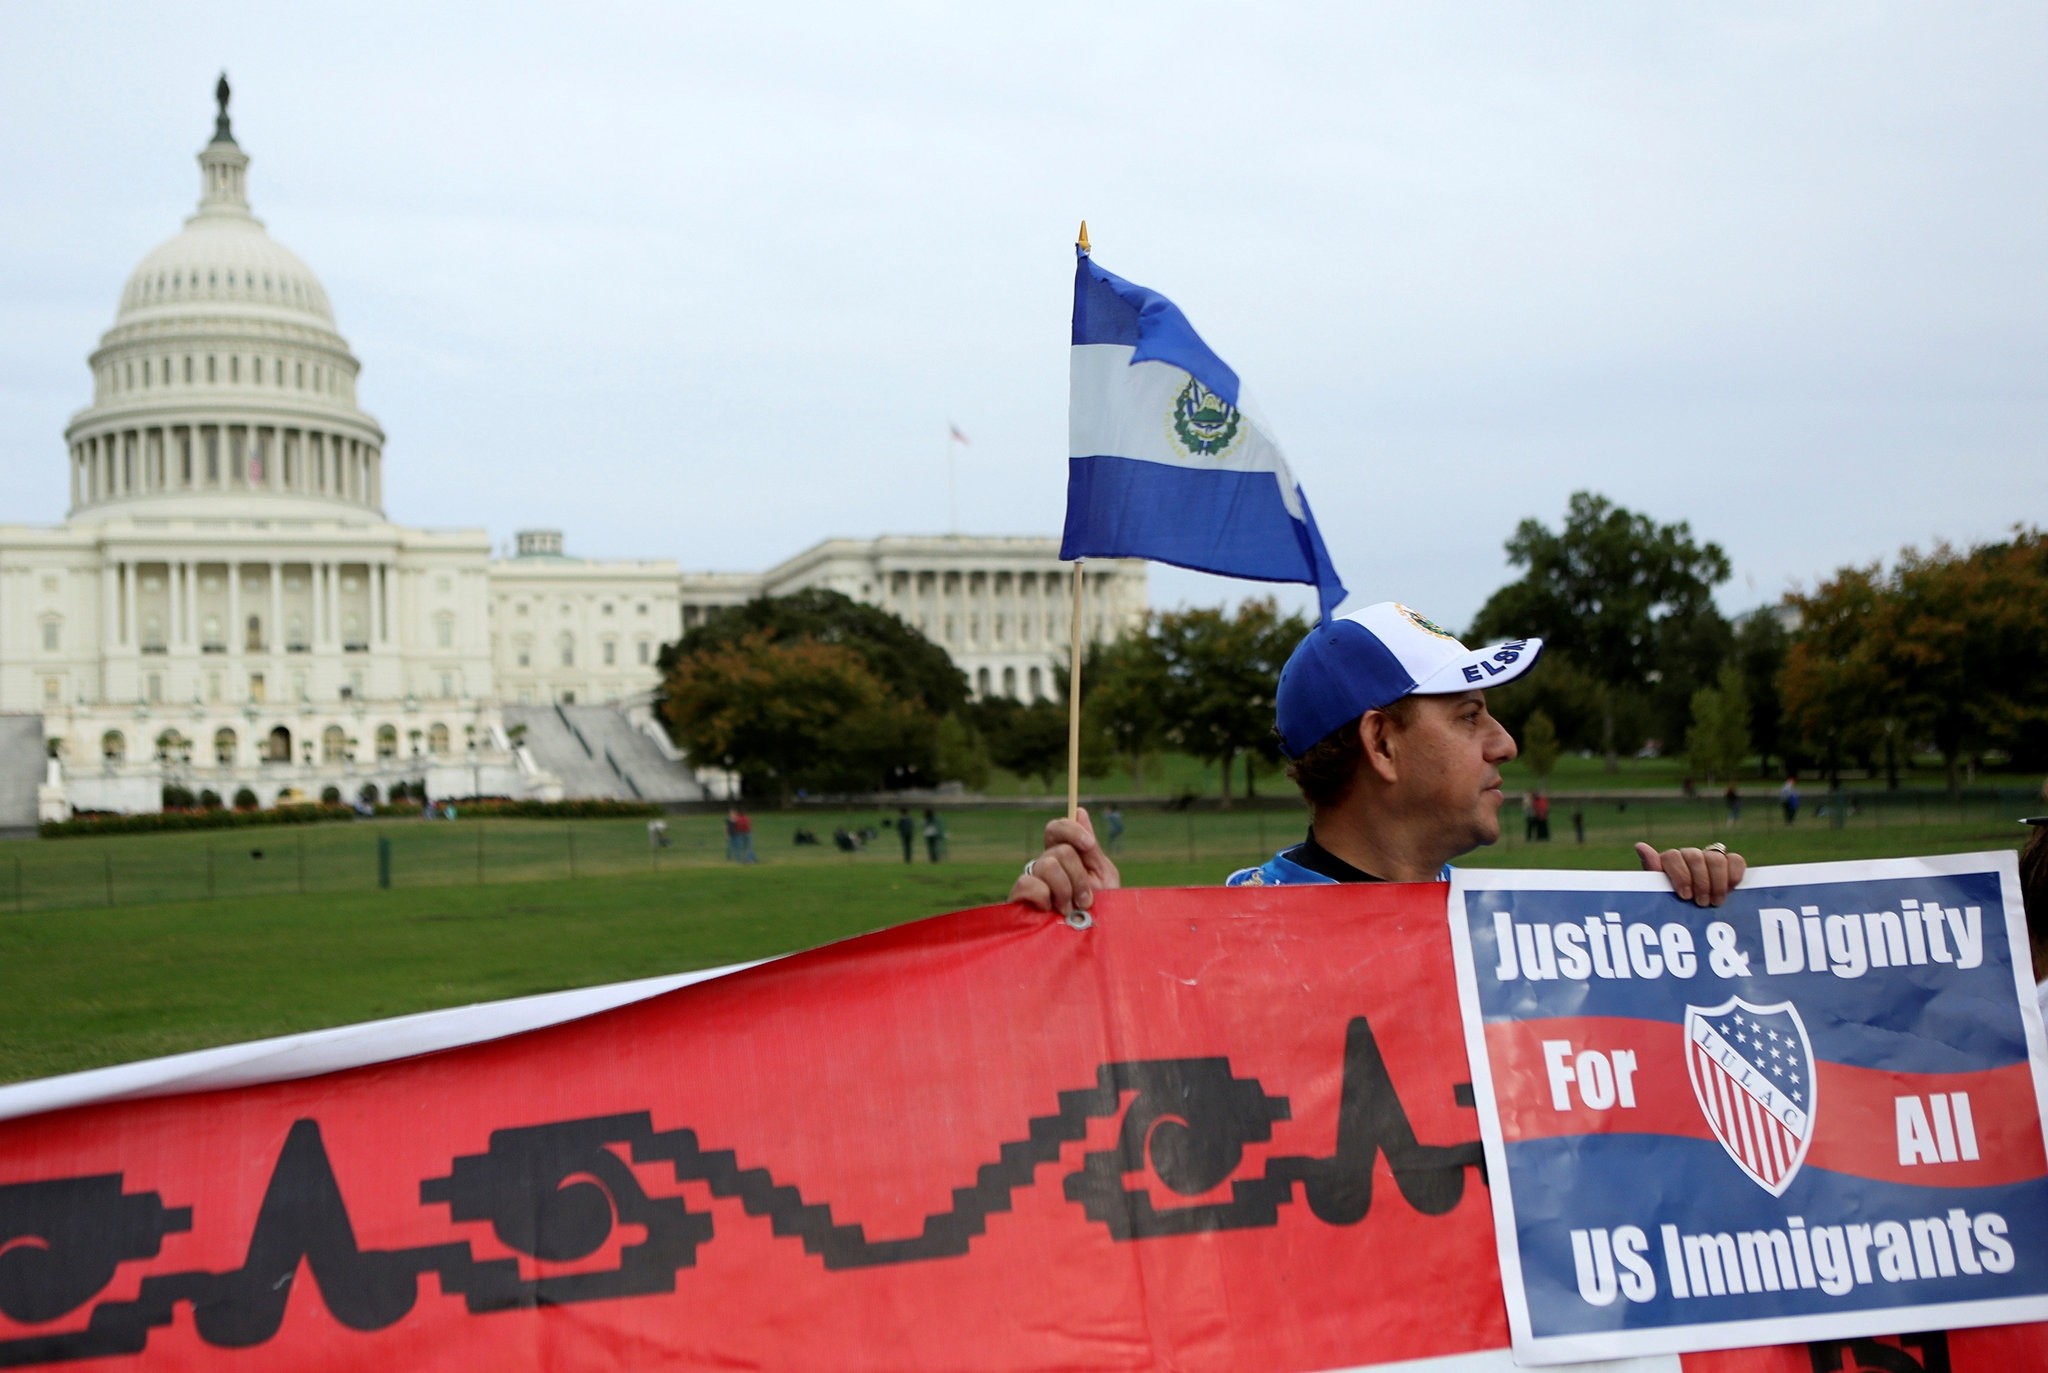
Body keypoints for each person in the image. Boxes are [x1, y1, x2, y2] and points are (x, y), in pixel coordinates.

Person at [1012, 601, 1744, 913]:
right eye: (1468, 715)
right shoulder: (1234, 940)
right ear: (1381, 744)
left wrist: (1687, 932)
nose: (1506, 743)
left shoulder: (1506, 935)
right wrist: (1096, 944)